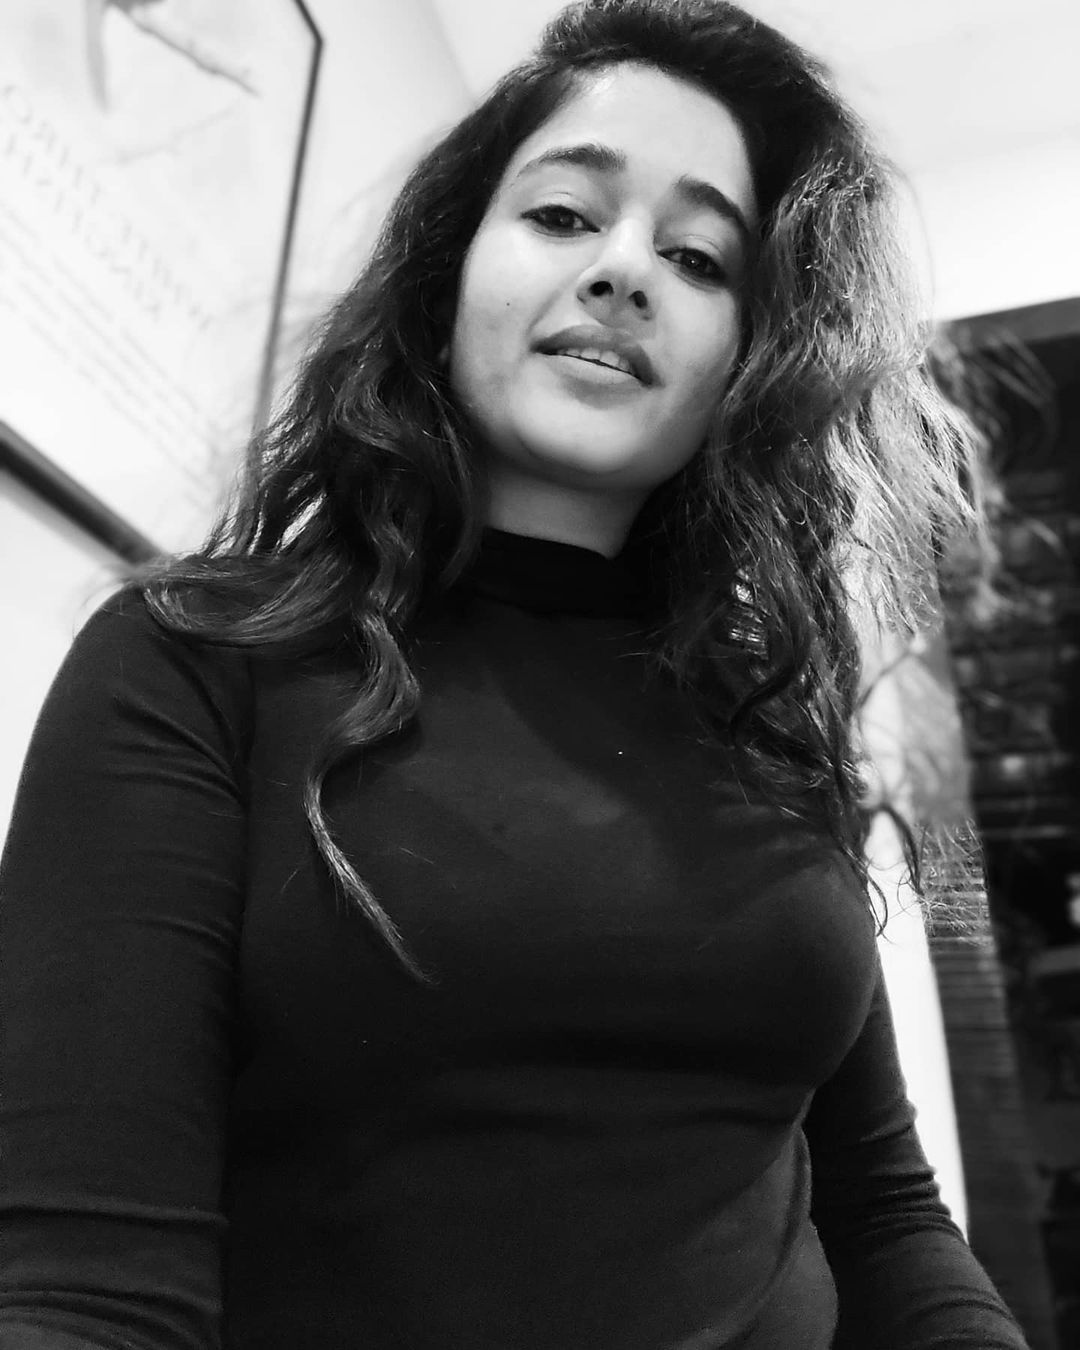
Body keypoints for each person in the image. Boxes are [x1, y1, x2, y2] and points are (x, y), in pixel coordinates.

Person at [0, 2, 1032, 1347]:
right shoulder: (194, 663)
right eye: (561, 215)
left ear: (748, 360)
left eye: (699, 256)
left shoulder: (768, 722)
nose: (625, 271)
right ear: (448, 276)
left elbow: (886, 1214)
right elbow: (89, 1291)